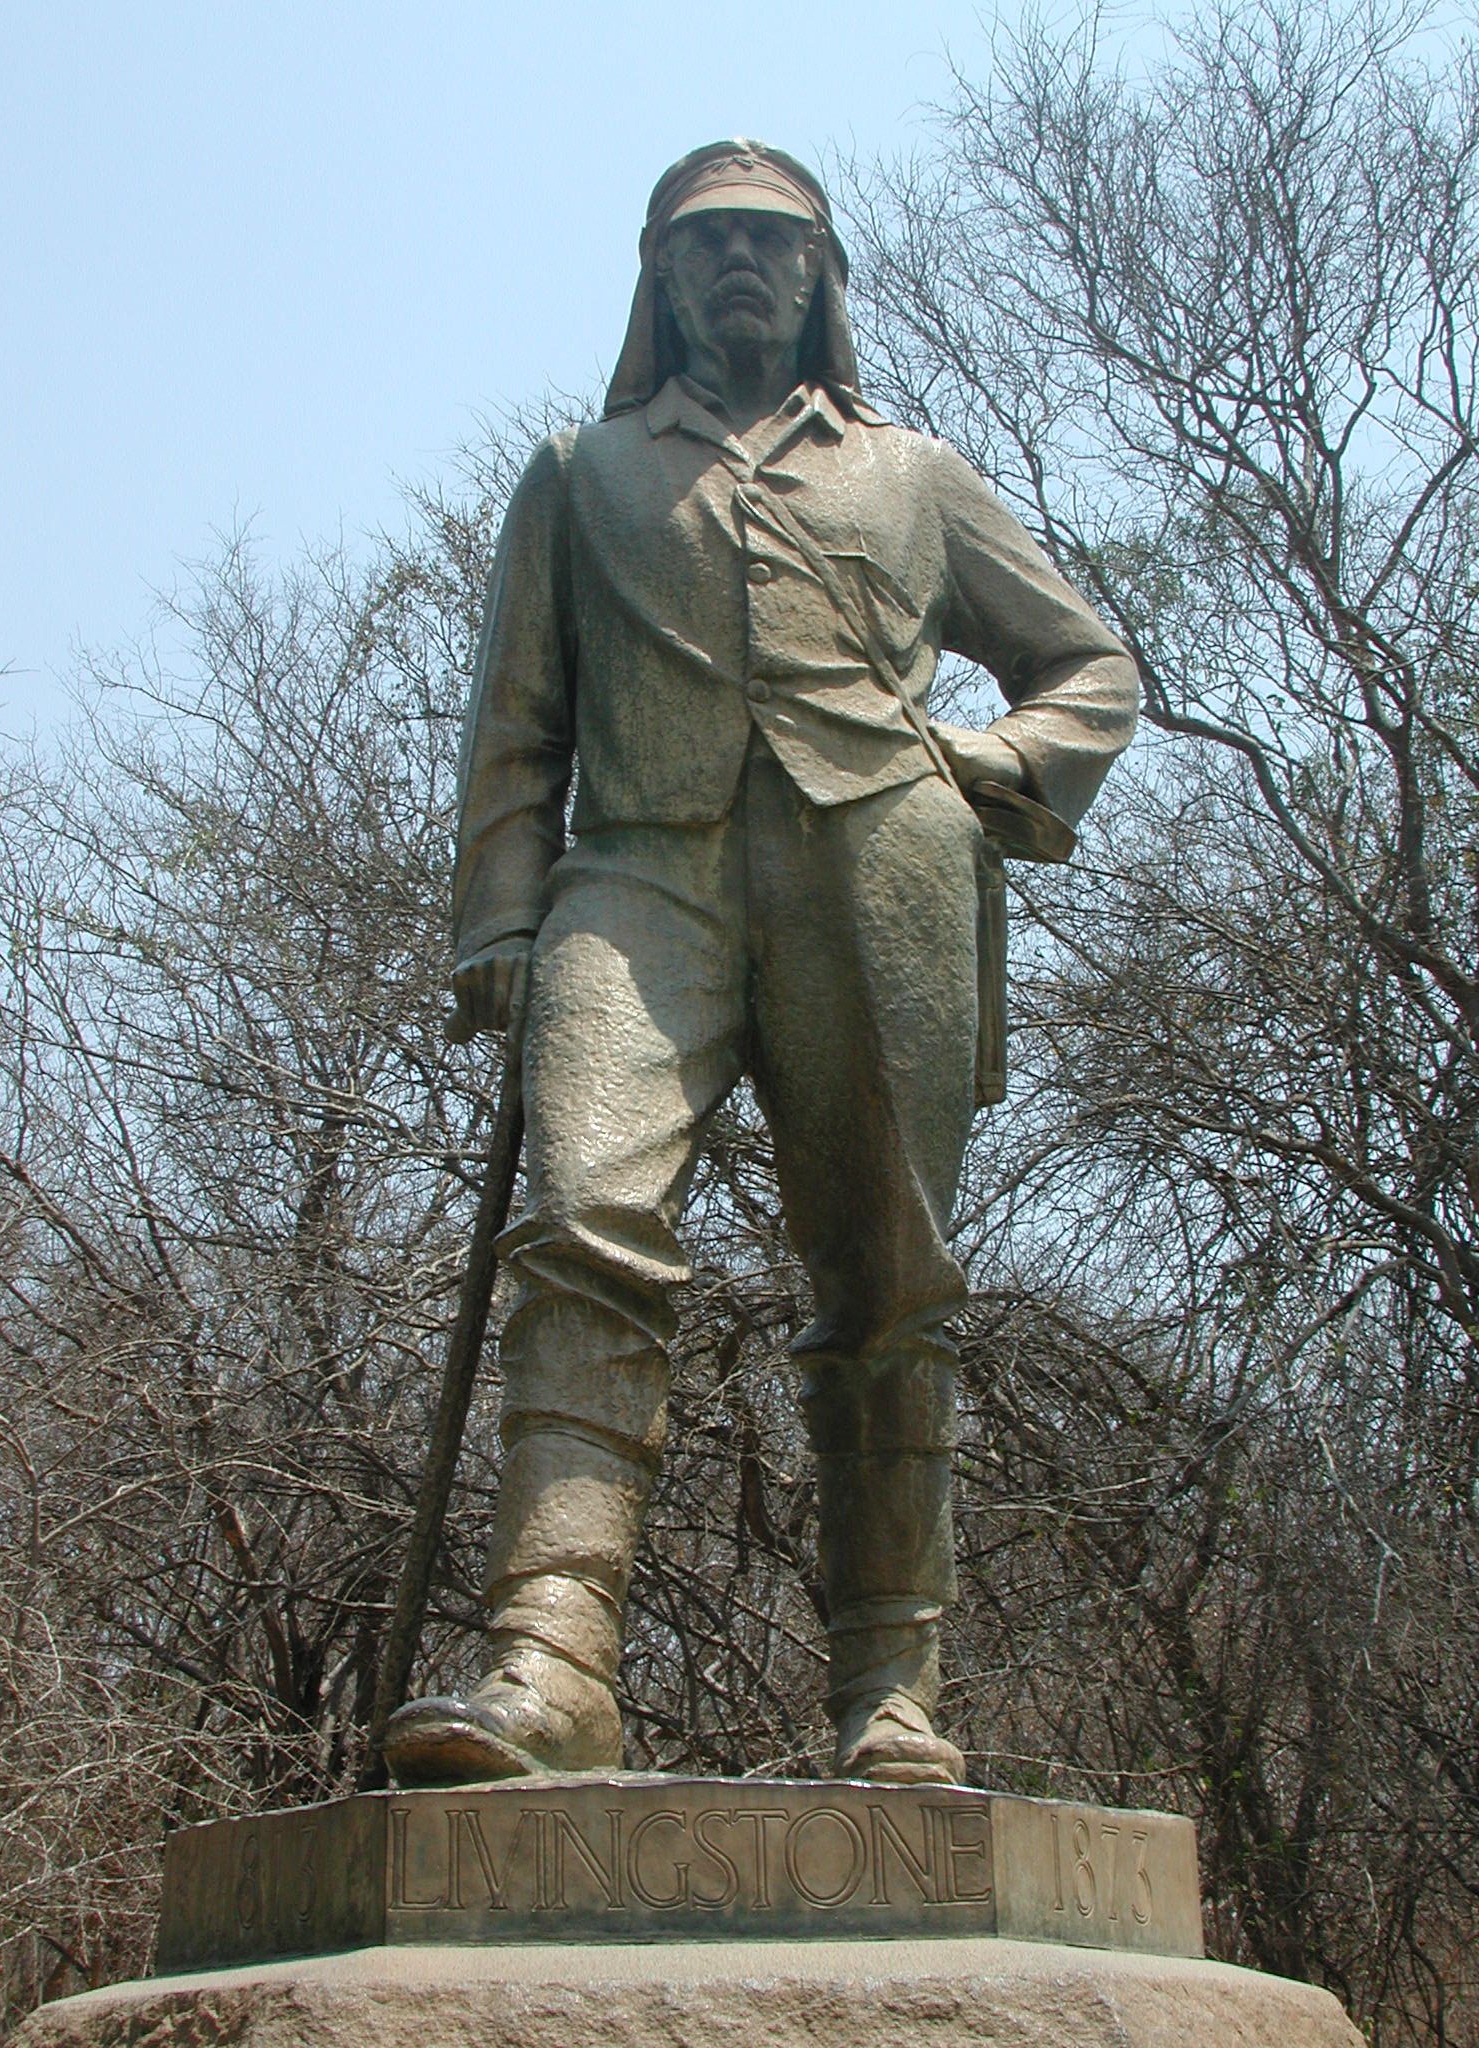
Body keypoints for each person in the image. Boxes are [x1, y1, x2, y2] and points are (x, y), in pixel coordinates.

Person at [383, 140, 1138, 1788]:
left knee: (888, 1276)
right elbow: (517, 725)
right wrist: (500, 917)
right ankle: (551, 1657)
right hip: (641, 876)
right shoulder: (579, 472)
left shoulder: (916, 474)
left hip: (880, 875)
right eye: (710, 240)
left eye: (775, 244)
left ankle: (893, 1691)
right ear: (658, 274)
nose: (743, 266)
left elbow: (1089, 665)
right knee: (582, 1213)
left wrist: (989, 768)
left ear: (821, 277)